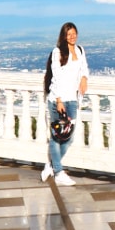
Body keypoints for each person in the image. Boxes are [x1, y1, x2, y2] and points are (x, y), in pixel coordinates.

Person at [42, 21, 88, 186]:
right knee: (57, 137)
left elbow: (84, 68)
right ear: (64, 36)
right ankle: (59, 172)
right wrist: (59, 99)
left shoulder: (80, 50)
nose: (72, 36)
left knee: (69, 137)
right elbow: (56, 77)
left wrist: (84, 78)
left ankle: (52, 165)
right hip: (58, 100)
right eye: (69, 34)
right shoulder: (57, 52)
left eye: (74, 33)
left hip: (73, 100)